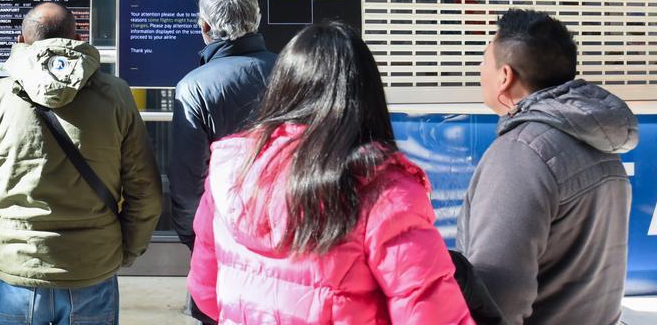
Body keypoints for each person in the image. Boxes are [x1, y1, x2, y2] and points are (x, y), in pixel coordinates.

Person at [187, 21, 473, 324]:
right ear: (365, 94)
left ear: (283, 86)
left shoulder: (232, 169)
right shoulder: (383, 190)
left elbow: (205, 292)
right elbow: (430, 313)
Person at [0, 2, 162, 325]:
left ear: (20, 40)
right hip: (92, 268)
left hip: (15, 273)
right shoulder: (116, 95)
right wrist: (124, 250)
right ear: (78, 37)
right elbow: (146, 194)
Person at [457, 9, 638, 325]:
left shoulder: (520, 155)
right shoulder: (598, 141)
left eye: (484, 62)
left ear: (505, 76)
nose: (479, 71)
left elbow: (498, 301)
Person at [169, 0, 276, 323]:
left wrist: (194, 239)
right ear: (256, 20)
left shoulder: (194, 88)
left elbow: (187, 184)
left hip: (221, 241)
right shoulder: (295, 73)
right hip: (292, 238)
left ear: (204, 26)